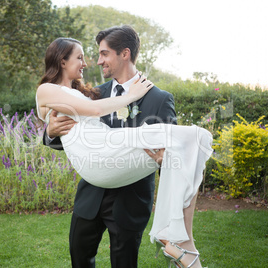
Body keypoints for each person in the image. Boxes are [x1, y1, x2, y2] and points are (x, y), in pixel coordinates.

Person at [38, 26, 212, 268]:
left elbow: (167, 153)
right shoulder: (94, 94)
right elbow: (75, 134)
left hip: (129, 200)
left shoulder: (158, 98)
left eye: (104, 54)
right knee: (79, 260)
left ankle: (182, 240)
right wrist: (49, 133)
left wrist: (164, 160)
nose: (97, 62)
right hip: (91, 196)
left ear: (125, 54)